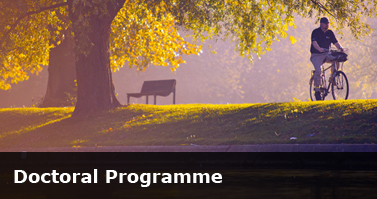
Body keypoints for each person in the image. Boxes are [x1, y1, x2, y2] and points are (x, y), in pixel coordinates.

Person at [310, 17, 344, 100]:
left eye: (328, 23)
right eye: (325, 23)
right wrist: (319, 49)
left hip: (326, 53)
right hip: (316, 55)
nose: (327, 25)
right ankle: (317, 91)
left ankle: (332, 77)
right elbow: (314, 43)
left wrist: (341, 48)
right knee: (318, 71)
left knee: (336, 60)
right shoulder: (315, 32)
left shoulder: (330, 33)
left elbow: (335, 42)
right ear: (321, 24)